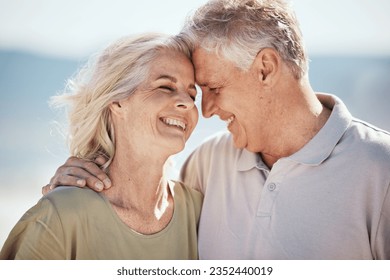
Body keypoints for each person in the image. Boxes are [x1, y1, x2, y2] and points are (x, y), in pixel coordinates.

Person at [41, 0, 390, 259]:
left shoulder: (380, 170)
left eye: (212, 88)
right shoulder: (208, 164)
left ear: (265, 68)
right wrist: (76, 188)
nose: (204, 110)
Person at [0, 33, 203, 260]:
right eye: (166, 87)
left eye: (192, 95)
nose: (186, 102)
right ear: (117, 102)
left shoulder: (200, 211)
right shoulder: (61, 215)